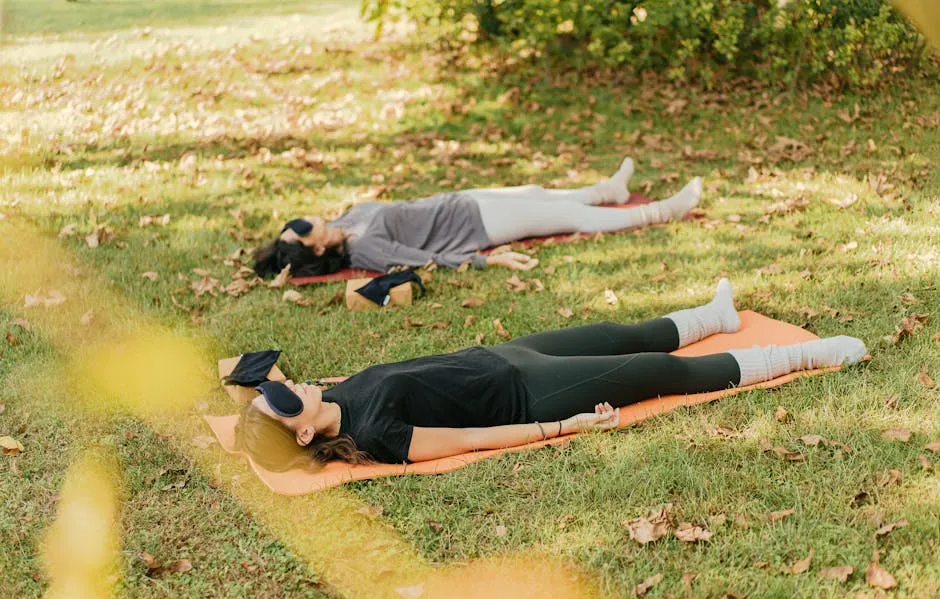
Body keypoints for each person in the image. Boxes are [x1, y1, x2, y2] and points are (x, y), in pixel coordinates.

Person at [235, 280, 867, 467]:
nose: (286, 390)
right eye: (282, 405)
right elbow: (469, 441)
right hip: (528, 395)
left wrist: (255, 388)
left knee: (621, 333)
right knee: (655, 369)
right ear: (300, 435)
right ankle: (806, 355)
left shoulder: (335, 393)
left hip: (506, 355)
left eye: (279, 390)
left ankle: (715, 314)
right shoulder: (378, 437)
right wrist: (560, 427)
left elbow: (263, 372)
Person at [253, 158, 704, 277]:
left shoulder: (348, 217)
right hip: (477, 226)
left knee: (539, 192)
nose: (309, 216)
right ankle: (661, 211)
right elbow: (415, 259)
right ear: (315, 245)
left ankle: (611, 191)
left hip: (463, 200)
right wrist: (486, 260)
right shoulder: (364, 248)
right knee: (567, 215)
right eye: (304, 225)